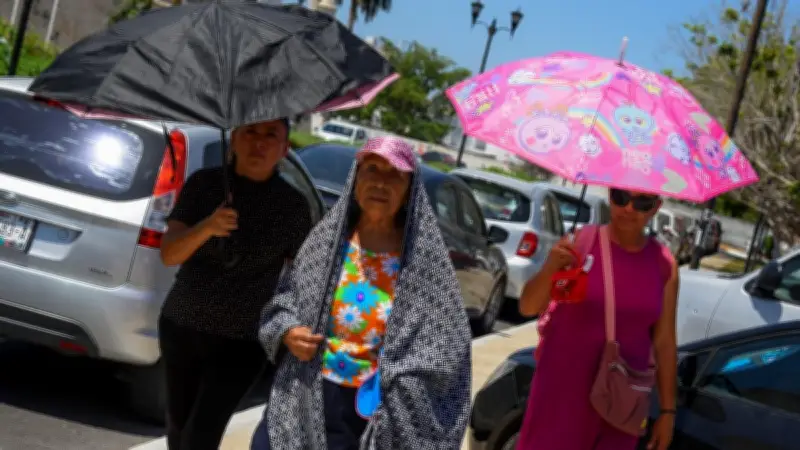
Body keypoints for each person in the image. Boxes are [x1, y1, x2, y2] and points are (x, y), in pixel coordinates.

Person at [251, 137, 472, 450]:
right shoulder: (327, 242)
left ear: (409, 190)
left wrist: (401, 382)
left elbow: (448, 348)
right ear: (356, 180)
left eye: (394, 174)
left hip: (367, 410)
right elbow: (285, 300)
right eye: (372, 169)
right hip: (303, 392)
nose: (380, 182)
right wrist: (288, 331)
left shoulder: (425, 264)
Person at [158, 118, 312, 450]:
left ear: (284, 149)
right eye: (250, 132)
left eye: (270, 135)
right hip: (183, 324)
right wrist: (207, 227)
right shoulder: (204, 184)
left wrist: (291, 326)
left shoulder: (293, 206)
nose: (259, 142)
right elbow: (169, 254)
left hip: (243, 339)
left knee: (202, 434)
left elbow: (303, 277)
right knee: (178, 428)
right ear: (234, 139)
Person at [517, 188, 679, 450]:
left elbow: (665, 342)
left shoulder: (664, 264)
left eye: (642, 202)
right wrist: (550, 268)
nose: (629, 208)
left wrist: (668, 412)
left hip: (621, 400)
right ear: (609, 196)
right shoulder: (580, 243)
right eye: (620, 197)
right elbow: (528, 306)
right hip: (562, 393)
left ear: (656, 207)